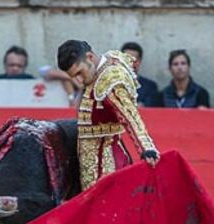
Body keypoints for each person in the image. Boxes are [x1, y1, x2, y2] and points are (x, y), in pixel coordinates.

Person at [57, 40, 159, 190]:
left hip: (105, 165)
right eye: (73, 76)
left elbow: (130, 117)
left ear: (90, 57)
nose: (78, 80)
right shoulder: (107, 63)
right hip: (98, 158)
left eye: (80, 73)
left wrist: (147, 149)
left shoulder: (111, 81)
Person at [120, 42, 160, 107]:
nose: (130, 63)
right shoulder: (111, 86)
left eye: (134, 60)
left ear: (140, 61)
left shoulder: (150, 87)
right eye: (127, 59)